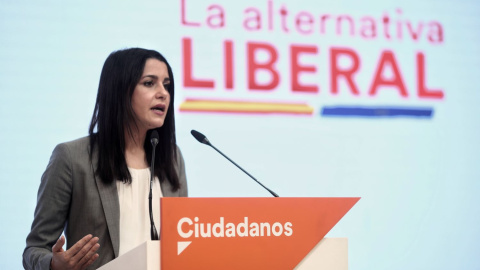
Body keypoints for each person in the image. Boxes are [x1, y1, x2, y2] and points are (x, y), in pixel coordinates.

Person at [23, 48, 188, 270]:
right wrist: (53, 264)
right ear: (120, 89)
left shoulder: (172, 158)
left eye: (166, 85)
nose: (163, 93)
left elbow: (183, 242)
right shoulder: (72, 158)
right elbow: (34, 249)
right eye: (150, 83)